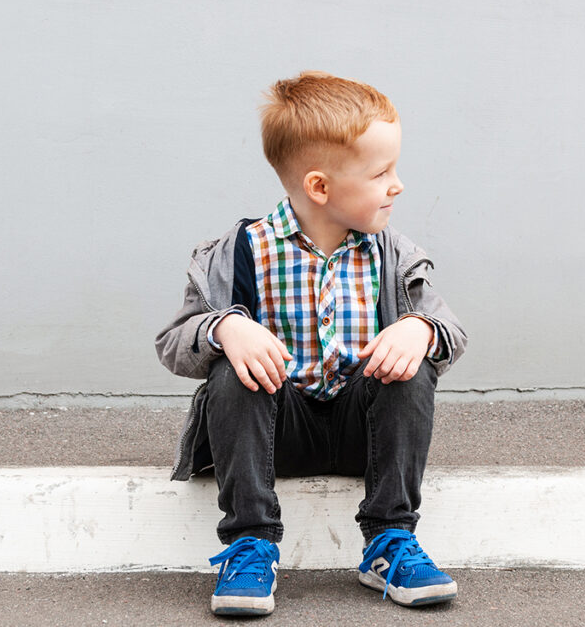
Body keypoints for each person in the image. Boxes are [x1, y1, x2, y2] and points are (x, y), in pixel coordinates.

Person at [155, 71, 467, 616]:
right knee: (234, 368)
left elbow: (453, 333)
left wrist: (420, 329)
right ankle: (249, 543)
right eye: (381, 173)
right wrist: (225, 326)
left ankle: (389, 538)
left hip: (360, 431)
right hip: (274, 433)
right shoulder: (237, 251)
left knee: (412, 366)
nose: (398, 185)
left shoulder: (391, 254)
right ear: (319, 187)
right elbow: (172, 343)